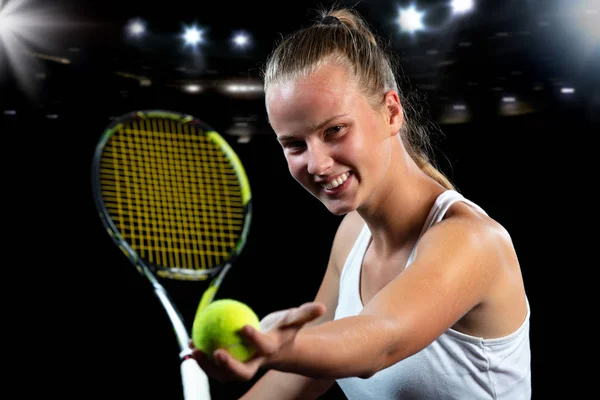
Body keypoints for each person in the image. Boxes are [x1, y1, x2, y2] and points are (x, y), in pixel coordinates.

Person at [191, 6, 531, 399]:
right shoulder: (352, 234)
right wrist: (285, 353)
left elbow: (379, 340)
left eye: (334, 130)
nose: (316, 163)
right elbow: (306, 371)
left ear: (391, 111)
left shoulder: (471, 241)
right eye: (295, 145)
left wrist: (285, 348)